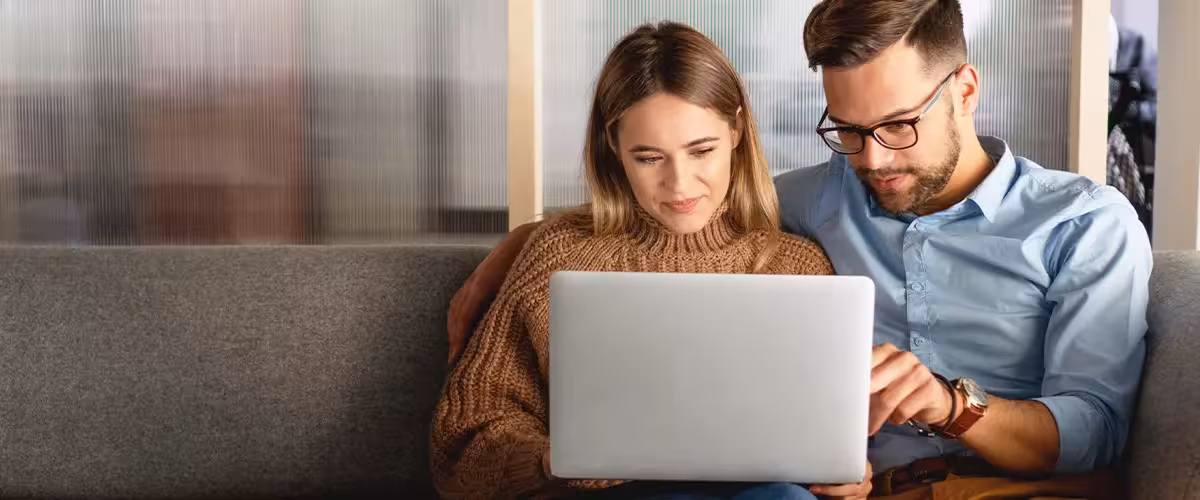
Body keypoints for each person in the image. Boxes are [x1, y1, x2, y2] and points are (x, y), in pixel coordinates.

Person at [447, 1, 1152, 499]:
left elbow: (1094, 432)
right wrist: (525, 242)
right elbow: (675, 209)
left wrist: (950, 404)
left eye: (898, 125)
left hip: (1009, 489)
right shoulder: (809, 200)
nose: (871, 159)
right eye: (845, 130)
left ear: (965, 90)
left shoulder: (1082, 224)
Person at [430, 21, 866, 500]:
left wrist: (842, 478)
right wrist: (547, 458)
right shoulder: (560, 255)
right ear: (613, 145)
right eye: (648, 158)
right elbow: (462, 444)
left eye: (701, 151)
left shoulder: (797, 267)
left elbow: (819, 434)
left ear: (737, 129)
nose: (679, 185)